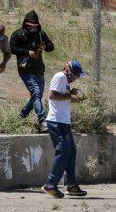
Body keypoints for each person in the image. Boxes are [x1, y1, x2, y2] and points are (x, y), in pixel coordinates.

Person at [42, 60, 88, 199]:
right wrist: (70, 96)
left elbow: (60, 94)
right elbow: (52, 95)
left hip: (63, 121)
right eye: (76, 75)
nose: (77, 78)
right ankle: (50, 185)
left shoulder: (65, 81)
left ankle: (72, 185)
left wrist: (70, 91)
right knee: (63, 151)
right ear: (70, 72)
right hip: (56, 121)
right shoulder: (60, 77)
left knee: (71, 151)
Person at [10, 11, 55, 133]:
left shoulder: (41, 34)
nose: (31, 28)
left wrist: (45, 46)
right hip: (25, 69)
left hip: (39, 68)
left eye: (34, 26)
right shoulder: (17, 34)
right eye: (29, 25)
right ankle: (42, 120)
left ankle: (22, 115)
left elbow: (51, 47)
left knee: (37, 96)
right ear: (25, 23)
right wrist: (27, 52)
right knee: (35, 91)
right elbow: (12, 48)